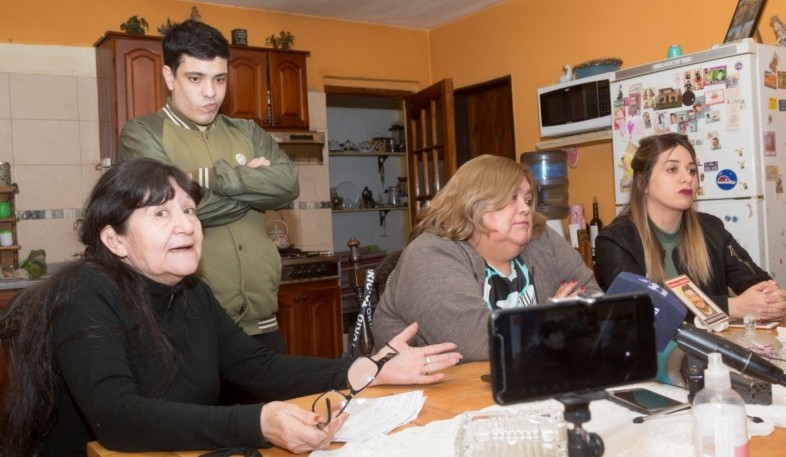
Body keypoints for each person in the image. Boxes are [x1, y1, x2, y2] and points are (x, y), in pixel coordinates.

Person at [0, 159, 462, 457]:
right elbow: (117, 420)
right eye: (160, 213)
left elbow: (258, 366)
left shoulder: (192, 292)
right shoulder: (86, 291)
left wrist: (365, 370)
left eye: (188, 210)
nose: (184, 225)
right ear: (114, 239)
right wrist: (258, 422)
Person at [118, 20, 292, 353]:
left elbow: (288, 184)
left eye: (219, 79)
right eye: (195, 78)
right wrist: (254, 190)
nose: (211, 92)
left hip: (263, 321)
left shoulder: (249, 131)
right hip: (189, 327)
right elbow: (170, 214)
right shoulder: (143, 134)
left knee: (282, 406)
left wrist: (208, 180)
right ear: (170, 77)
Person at [372, 155, 601, 362]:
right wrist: (553, 317)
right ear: (473, 204)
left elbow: (597, 303)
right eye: (511, 198)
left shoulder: (542, 238)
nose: (525, 209)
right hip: (421, 399)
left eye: (528, 200)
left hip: (522, 384)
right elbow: (477, 339)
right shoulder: (429, 254)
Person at [595, 133, 786, 320]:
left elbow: (754, 280)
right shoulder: (614, 241)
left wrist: (769, 297)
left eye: (692, 170)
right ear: (642, 183)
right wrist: (733, 307)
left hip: (713, 349)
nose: (687, 178)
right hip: (654, 353)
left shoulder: (712, 228)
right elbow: (649, 308)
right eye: (672, 169)